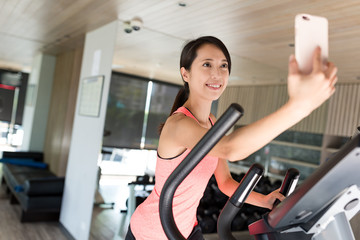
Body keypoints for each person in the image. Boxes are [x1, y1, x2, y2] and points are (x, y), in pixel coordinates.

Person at [125, 36, 337, 240]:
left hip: (187, 229)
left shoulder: (212, 122)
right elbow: (230, 148)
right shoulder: (178, 125)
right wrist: (299, 107)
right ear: (185, 74)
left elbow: (225, 182)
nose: (217, 73)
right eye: (207, 65)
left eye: (223, 65)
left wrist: (263, 199)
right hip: (152, 232)